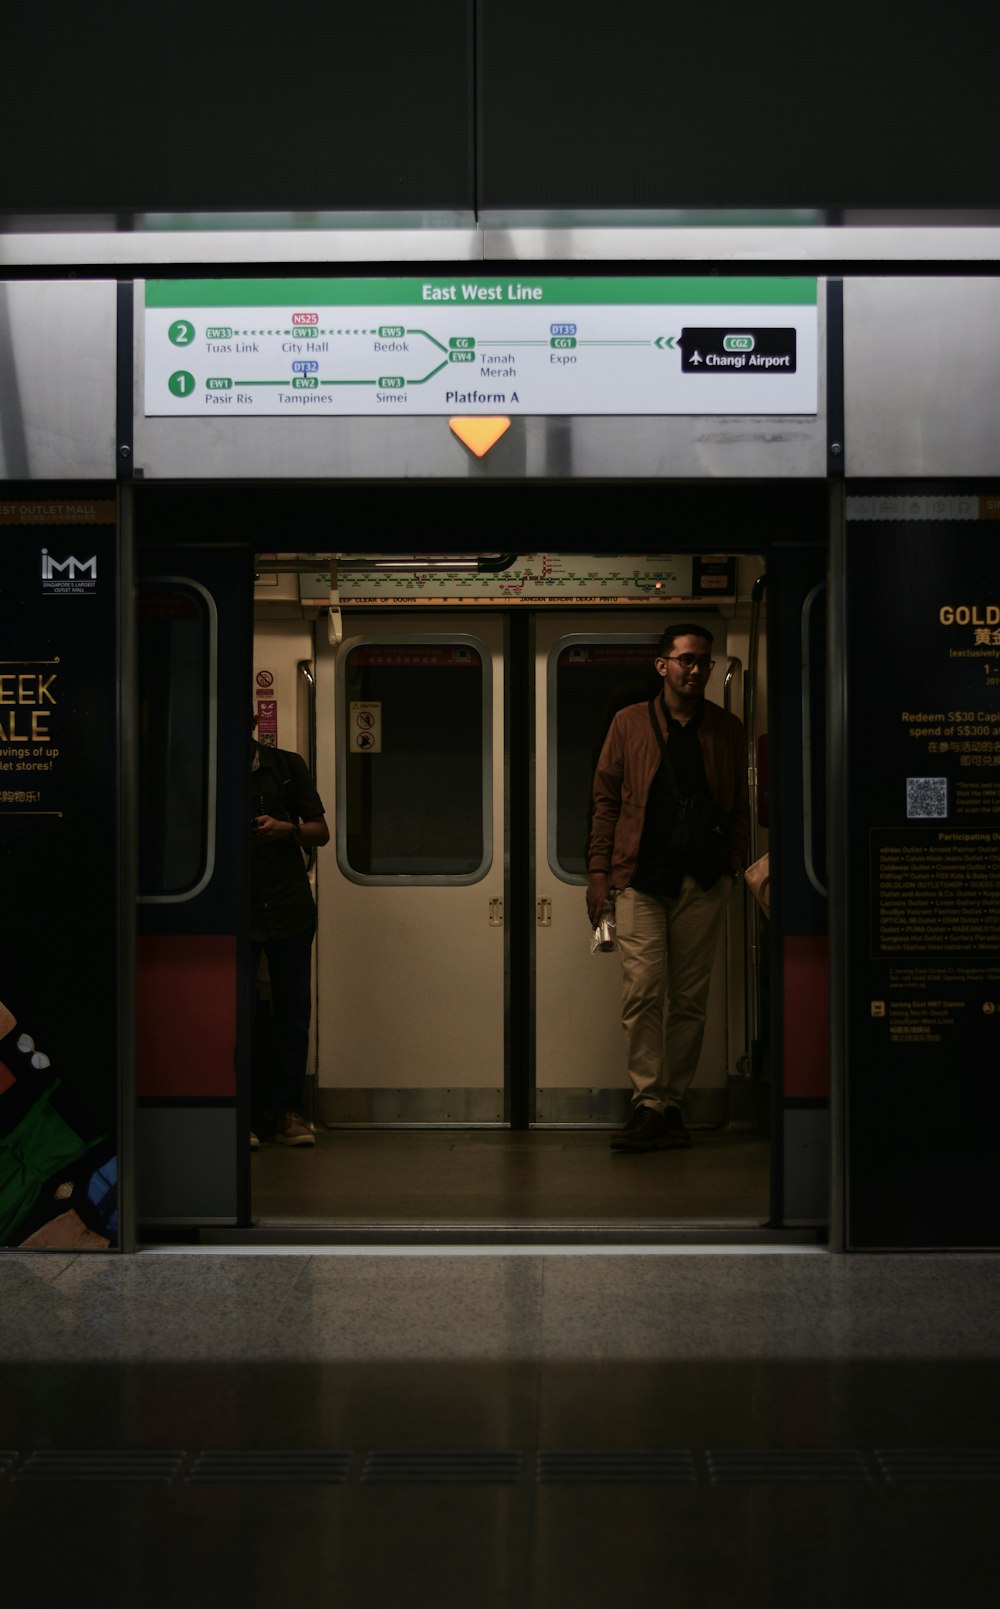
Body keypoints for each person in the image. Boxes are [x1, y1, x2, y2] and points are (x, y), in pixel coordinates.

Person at [586, 624, 749, 1153]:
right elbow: (606, 801)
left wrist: (733, 863)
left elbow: (738, 807)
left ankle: (672, 1104)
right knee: (642, 994)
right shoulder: (629, 724)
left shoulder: (727, 729)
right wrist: (599, 873)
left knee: (689, 1001)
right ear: (662, 666)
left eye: (702, 661)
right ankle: (648, 1104)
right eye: (684, 660)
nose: (695, 669)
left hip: (703, 878)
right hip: (641, 879)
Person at [250, 726, 330, 1147]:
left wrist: (286, 830)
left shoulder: (285, 766)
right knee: (235, 1013)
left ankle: (287, 1111)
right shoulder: (206, 771)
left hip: (288, 906)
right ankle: (241, 1113)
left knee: (293, 1012)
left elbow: (320, 831)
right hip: (235, 908)